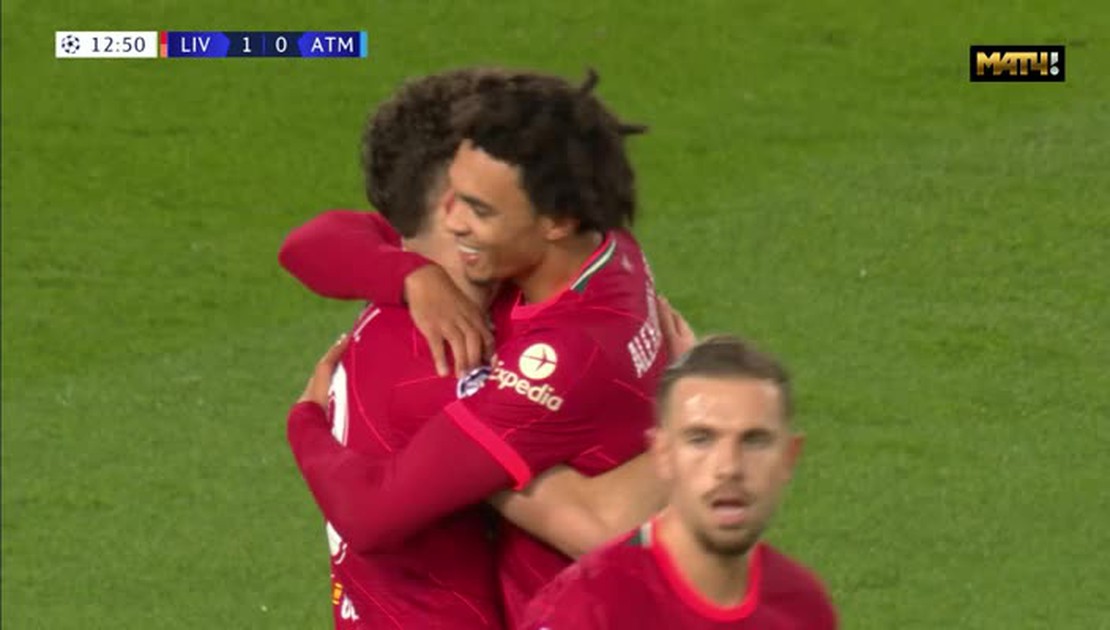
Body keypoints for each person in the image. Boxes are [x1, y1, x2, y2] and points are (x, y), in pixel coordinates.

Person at [283, 68, 671, 629]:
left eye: (478, 206)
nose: (458, 218)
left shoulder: (511, 330)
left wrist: (305, 422)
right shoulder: (451, 361)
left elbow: (596, 522)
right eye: (459, 201)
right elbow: (597, 523)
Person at [520, 336, 838, 629]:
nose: (729, 467)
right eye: (701, 439)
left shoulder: (802, 605)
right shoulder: (586, 608)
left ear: (788, 457)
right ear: (662, 454)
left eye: (755, 441)